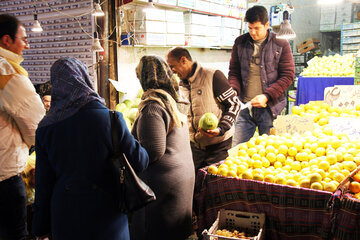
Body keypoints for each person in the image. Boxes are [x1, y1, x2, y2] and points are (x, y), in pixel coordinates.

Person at [31, 57, 149, 240]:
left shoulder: (46, 128)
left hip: (66, 216)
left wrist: (40, 228)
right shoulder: (111, 119)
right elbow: (140, 161)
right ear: (84, 79)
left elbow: (43, 184)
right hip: (108, 215)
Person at [130, 55, 195, 240]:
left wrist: (125, 149)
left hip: (163, 189)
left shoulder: (153, 106)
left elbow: (153, 152)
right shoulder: (173, 100)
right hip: (180, 182)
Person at [0, 14, 45, 240]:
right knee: (15, 234)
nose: (27, 45)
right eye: (24, 39)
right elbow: (36, 126)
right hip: (4, 176)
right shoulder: (8, 73)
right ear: (6, 40)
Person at [166, 47, 241, 172]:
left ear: (183, 60)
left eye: (172, 66)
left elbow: (234, 104)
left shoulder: (212, 76)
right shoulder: (181, 84)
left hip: (218, 146)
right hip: (194, 147)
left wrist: (220, 129)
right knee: (195, 184)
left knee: (214, 185)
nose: (172, 71)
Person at [228, 5, 295, 145]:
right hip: (245, 106)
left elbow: (288, 75)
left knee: (270, 150)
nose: (253, 32)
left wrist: (267, 96)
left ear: (267, 25)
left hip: (270, 108)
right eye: (250, 27)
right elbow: (234, 72)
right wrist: (234, 90)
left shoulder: (280, 42)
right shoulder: (240, 43)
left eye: (257, 28)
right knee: (237, 149)